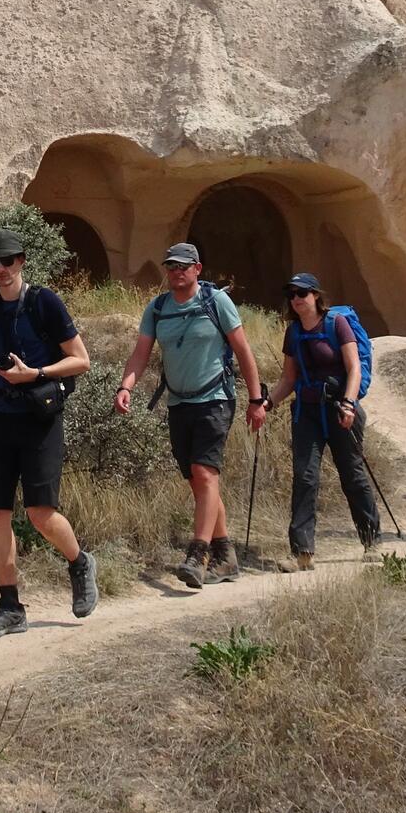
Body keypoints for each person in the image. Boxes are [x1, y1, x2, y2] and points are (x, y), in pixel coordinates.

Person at [0, 228, 98, 639]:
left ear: (22, 261)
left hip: (40, 418)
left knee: (40, 513)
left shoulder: (43, 301)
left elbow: (81, 360)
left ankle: (79, 561)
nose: (0, 269)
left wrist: (34, 373)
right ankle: (10, 607)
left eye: (7, 261)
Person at [115, 242, 267, 589]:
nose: (176, 272)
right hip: (179, 403)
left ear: (198, 268)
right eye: (171, 266)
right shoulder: (157, 308)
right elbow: (140, 354)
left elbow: (243, 350)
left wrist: (256, 400)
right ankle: (226, 556)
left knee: (204, 472)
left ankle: (197, 555)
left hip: (215, 400)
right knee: (198, 481)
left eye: (183, 266)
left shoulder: (217, 302)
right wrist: (126, 387)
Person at [264, 271, 380, 566]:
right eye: (291, 294)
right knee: (305, 477)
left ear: (316, 295)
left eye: (302, 293)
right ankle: (302, 554)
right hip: (307, 412)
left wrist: (350, 404)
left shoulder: (336, 324)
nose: (296, 299)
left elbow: (353, 368)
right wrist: (267, 404)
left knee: (352, 475)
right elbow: (288, 378)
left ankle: (372, 543)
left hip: (340, 409)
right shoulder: (293, 333)